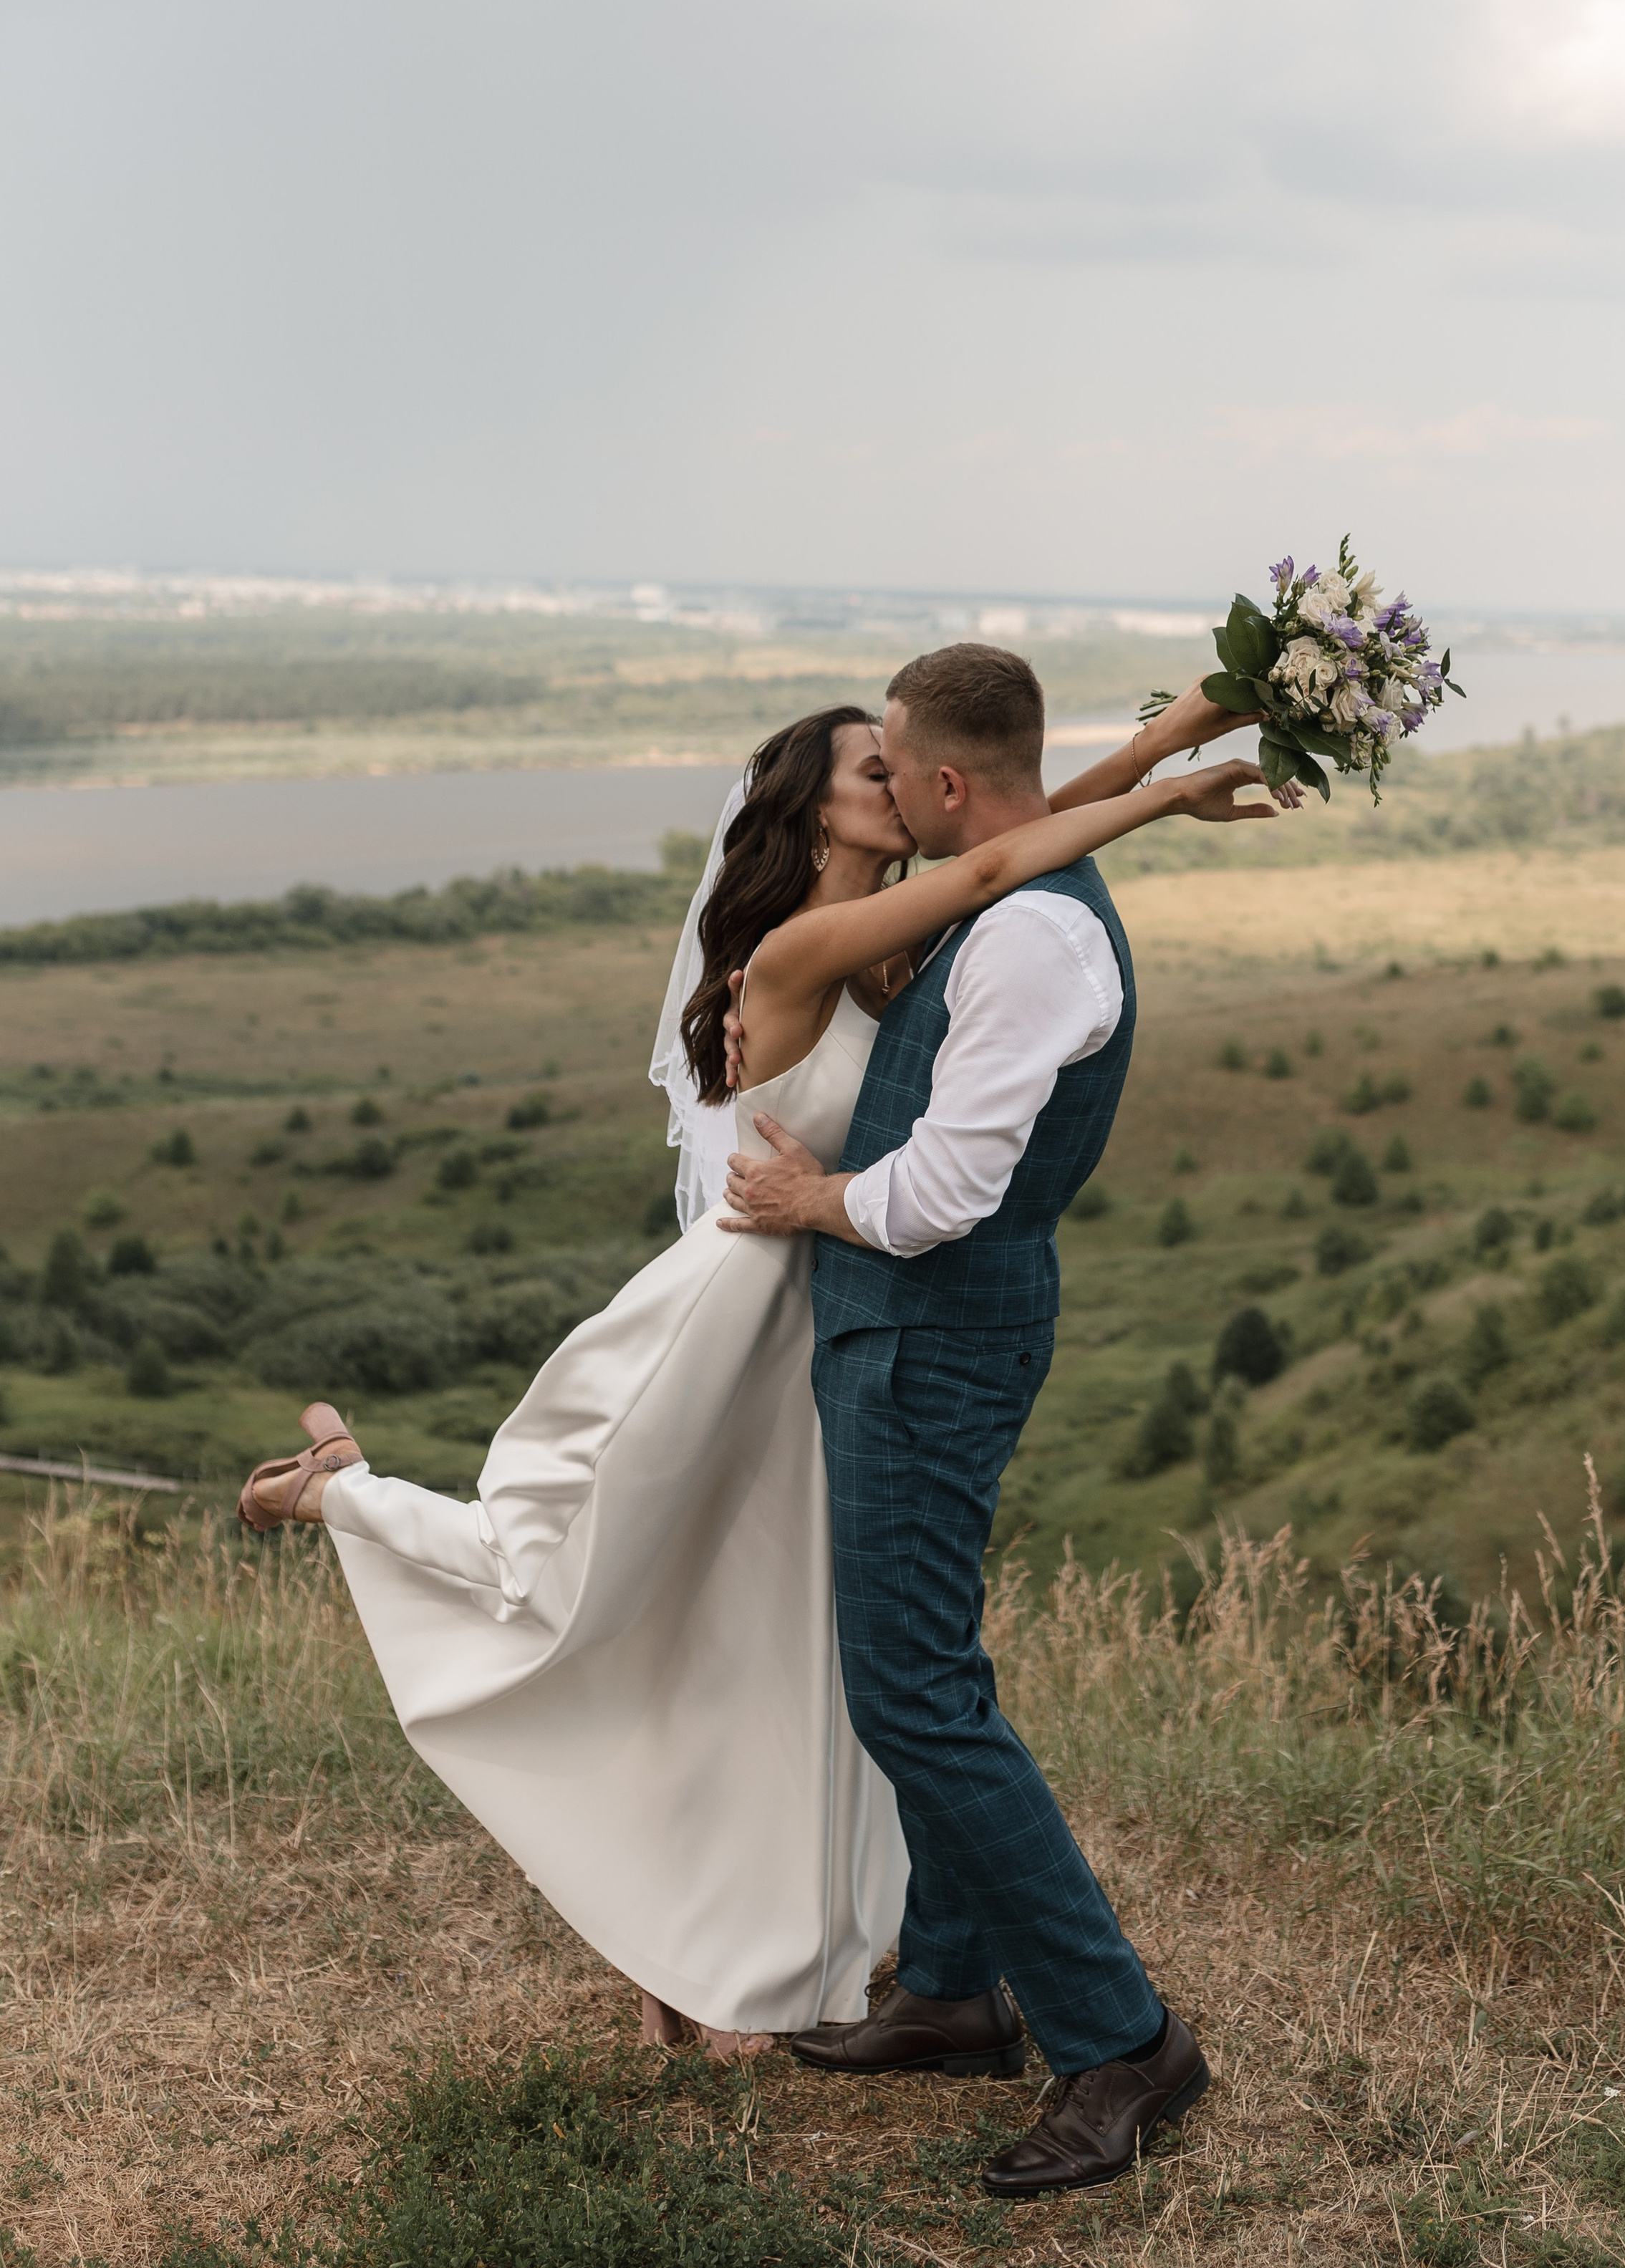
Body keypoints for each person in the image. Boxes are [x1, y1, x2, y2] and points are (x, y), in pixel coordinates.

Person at [236, 659, 1296, 2098]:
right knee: (585, 1578)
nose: (894, 779)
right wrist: (1169, 788)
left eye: (898, 760)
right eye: (870, 768)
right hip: (748, 1305)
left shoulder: (889, 938)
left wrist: (1178, 731)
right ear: (814, 820)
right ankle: (343, 1499)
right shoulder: (798, 957)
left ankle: (845, 1965)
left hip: (835, 1296)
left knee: (781, 1642)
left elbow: (1010, 823)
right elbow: (1000, 842)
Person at [718, 645, 1248, 2194]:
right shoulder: (1001, 896)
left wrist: (809, 1196)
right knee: (927, 1663)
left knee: (912, 1696)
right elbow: (1032, 829)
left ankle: (1119, 2037)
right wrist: (1177, 742)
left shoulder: (1023, 937)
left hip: (928, 1334)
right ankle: (951, 1991)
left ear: (946, 787)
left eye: (896, 765)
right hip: (905, 1328)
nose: (887, 784)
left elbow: (947, 1191)